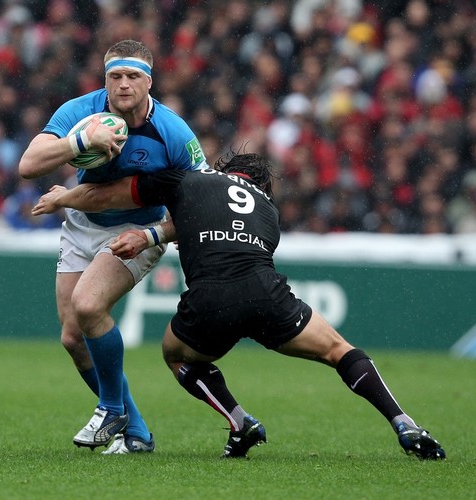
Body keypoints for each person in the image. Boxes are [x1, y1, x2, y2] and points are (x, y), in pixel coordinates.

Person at [31, 151, 446, 460]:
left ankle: (239, 420)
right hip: (267, 294)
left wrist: (69, 198)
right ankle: (403, 422)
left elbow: (117, 195)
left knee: (176, 356)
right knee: (340, 350)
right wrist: (156, 236)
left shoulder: (190, 179)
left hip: (212, 298)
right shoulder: (269, 211)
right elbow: (215, 226)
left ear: (226, 169)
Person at [18, 39, 207, 454]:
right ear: (104, 79)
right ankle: (135, 431)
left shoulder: (174, 132)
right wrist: (80, 143)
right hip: (83, 223)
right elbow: (28, 165)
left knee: (88, 306)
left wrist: (157, 235)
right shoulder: (80, 111)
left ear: (149, 82)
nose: (123, 84)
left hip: (137, 230)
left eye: (133, 76)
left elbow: (203, 200)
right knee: (73, 337)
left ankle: (110, 408)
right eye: (115, 76)